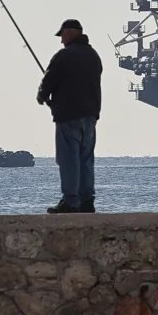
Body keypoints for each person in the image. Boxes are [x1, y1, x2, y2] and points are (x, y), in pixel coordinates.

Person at [37, 19, 103, 214]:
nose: (61, 40)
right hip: (90, 116)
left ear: (69, 32)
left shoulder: (64, 56)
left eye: (62, 35)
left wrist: (42, 96)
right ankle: (87, 201)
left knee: (68, 159)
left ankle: (71, 201)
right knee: (86, 159)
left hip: (68, 116)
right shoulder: (94, 56)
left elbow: (49, 79)